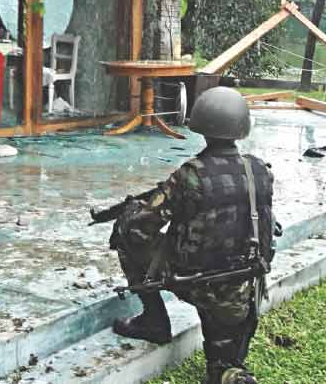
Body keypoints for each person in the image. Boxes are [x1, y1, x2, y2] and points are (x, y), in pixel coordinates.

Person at [109, 87, 276, 384]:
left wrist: (130, 213)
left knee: (125, 232)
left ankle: (153, 321)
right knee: (223, 369)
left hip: (194, 283)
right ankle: (231, 373)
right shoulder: (259, 170)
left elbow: (142, 225)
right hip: (238, 294)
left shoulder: (190, 175)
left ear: (200, 126)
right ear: (242, 128)